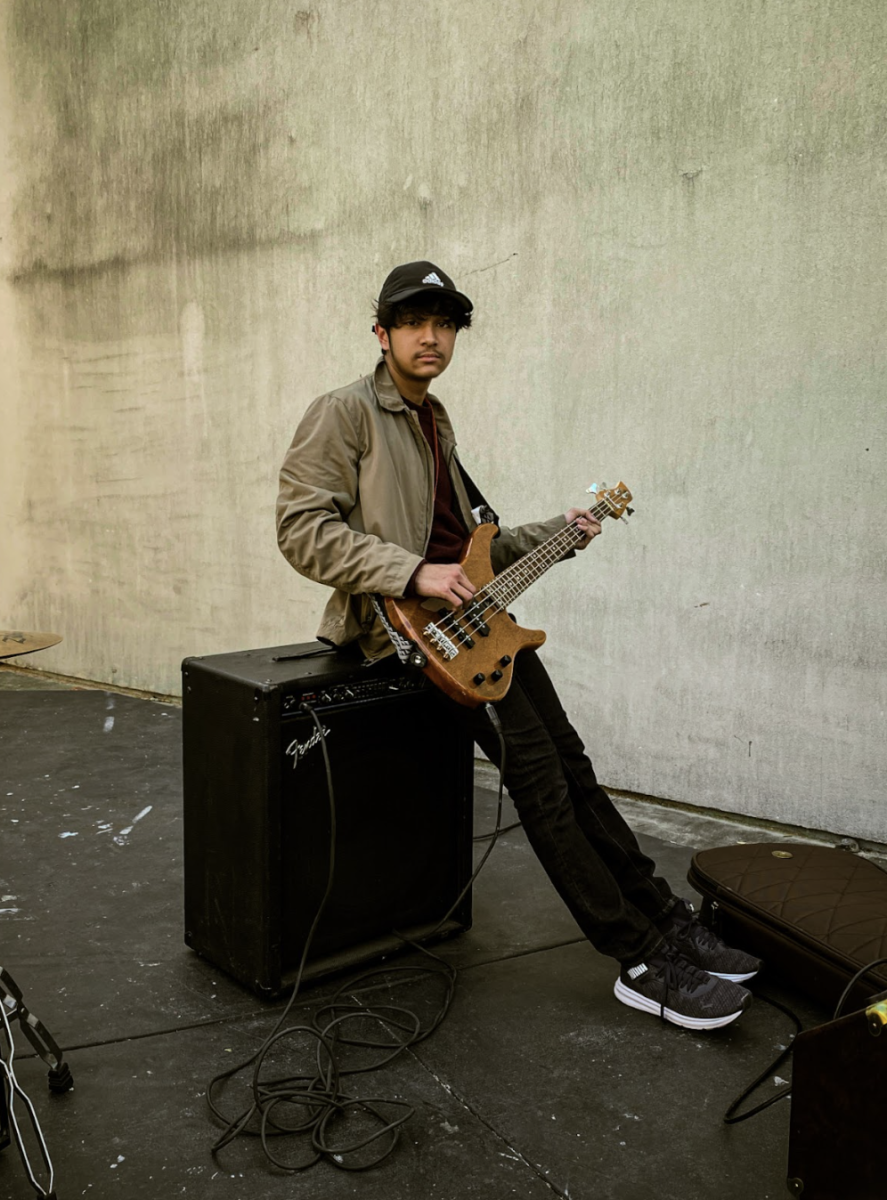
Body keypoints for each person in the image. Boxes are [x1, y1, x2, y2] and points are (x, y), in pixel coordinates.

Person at [277, 260, 761, 1030]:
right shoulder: (343, 413)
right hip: (412, 636)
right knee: (540, 787)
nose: (430, 337)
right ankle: (637, 957)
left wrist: (561, 535)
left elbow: (474, 546)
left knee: (573, 771)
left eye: (444, 324)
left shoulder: (435, 421)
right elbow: (302, 531)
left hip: (480, 621)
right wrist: (412, 573)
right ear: (382, 333)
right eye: (413, 322)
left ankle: (664, 918)